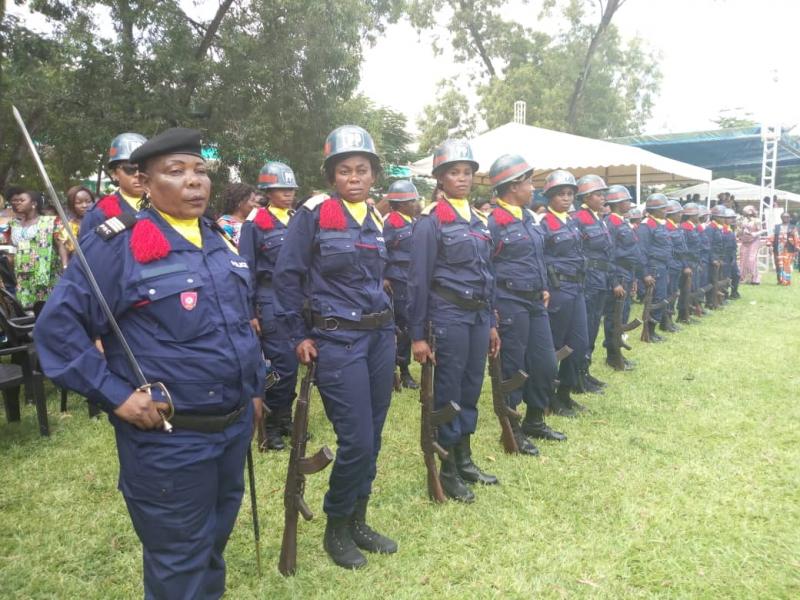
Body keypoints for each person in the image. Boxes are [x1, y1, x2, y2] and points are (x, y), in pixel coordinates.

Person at [35, 128, 265, 599]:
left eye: (200, 171)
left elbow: (237, 326)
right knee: (178, 560)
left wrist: (254, 392)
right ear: (143, 181)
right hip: (170, 442)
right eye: (175, 171)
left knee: (212, 546)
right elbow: (55, 330)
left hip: (231, 428)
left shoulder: (218, 239)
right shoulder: (118, 243)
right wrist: (116, 396)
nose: (194, 182)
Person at [273, 125, 397, 569]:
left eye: (362, 169)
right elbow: (286, 278)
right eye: (345, 170)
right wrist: (297, 337)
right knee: (357, 439)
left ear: (373, 174)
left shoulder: (377, 217)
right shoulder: (314, 213)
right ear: (332, 176)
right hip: (337, 339)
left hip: (381, 336)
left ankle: (359, 519)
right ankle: (336, 527)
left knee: (375, 436)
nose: (355, 177)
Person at [407, 139, 500, 504]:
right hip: (447, 314)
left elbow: (488, 272)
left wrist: (491, 320)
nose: (461, 178)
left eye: (467, 172)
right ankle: (446, 468)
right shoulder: (431, 222)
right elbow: (418, 280)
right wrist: (417, 335)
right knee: (448, 392)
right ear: (440, 179)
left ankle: (465, 458)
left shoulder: (479, 220)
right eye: (453, 173)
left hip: (477, 315)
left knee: (471, 386)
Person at [487, 154, 565, 456]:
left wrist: (544, 285)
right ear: (512, 186)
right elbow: (486, 267)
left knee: (545, 362)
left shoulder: (529, 218)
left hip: (534, 301)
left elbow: (537, 256)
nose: (533, 188)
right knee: (512, 368)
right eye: (528, 182)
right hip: (509, 301)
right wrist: (491, 309)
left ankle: (535, 420)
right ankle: (512, 427)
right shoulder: (494, 223)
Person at [239, 161, 300, 451]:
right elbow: (247, 269)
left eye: (291, 189)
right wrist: (250, 312)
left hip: (298, 300)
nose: (288, 194)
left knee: (296, 361)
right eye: (281, 189)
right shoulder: (255, 224)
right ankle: (271, 425)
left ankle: (286, 418)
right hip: (269, 299)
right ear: (268, 191)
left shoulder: (298, 219)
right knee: (281, 365)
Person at [538, 170, 589, 415]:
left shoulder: (572, 222)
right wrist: (545, 287)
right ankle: (548, 397)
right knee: (555, 346)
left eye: (570, 194)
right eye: (561, 194)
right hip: (558, 289)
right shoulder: (543, 223)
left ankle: (565, 392)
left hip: (577, 288)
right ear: (550, 197)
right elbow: (539, 259)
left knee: (578, 343)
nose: (566, 198)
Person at [572, 174, 613, 393]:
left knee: (594, 325)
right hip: (588, 279)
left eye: (603, 194)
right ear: (586, 197)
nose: (602, 197)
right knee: (584, 329)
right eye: (598, 194)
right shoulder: (578, 218)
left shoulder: (599, 218)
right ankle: (577, 375)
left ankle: (585, 371)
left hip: (601, 279)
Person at [382, 179, 421, 390]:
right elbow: (380, 251)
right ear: (401, 204)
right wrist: (384, 276)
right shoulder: (391, 223)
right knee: (398, 327)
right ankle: (397, 370)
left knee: (407, 325)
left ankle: (402, 367)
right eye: (411, 201)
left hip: (411, 280)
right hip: (396, 282)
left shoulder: (413, 222)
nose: (415, 203)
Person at [602, 185, 646, 370]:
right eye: (627, 200)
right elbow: (609, 254)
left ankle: (617, 352)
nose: (629, 203)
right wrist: (614, 281)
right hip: (618, 276)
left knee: (622, 315)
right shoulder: (611, 223)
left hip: (627, 274)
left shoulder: (621, 222)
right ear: (618, 203)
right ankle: (613, 355)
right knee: (615, 318)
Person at [80, 132, 147, 237]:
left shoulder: (166, 206)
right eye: (130, 169)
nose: (138, 175)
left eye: (143, 168)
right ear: (115, 174)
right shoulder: (98, 214)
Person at [9, 189, 63, 308]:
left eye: (22, 200)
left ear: (34, 204)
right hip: (23, 275)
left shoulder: (49, 221)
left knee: (46, 308)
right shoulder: (14, 224)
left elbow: (61, 244)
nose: (18, 203)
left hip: (45, 275)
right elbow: (12, 248)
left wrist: (65, 266)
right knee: (29, 309)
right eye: (16, 200)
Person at [637, 194, 672, 342]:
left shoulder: (659, 224)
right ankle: (648, 332)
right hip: (653, 268)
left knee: (661, 298)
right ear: (654, 210)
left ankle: (652, 331)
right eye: (663, 208)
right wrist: (645, 273)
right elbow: (641, 251)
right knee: (655, 300)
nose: (666, 211)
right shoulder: (647, 226)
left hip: (662, 266)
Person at [662, 200, 686, 332]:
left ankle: (669, 320)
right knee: (669, 294)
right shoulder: (667, 227)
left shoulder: (674, 226)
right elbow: (669, 249)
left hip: (676, 265)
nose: (681, 215)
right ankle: (665, 321)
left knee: (673, 293)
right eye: (678, 212)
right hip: (671, 265)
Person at [57, 185, 95, 266]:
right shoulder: (69, 226)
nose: (85, 205)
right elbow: (63, 246)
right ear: (72, 205)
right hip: (78, 266)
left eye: (88, 201)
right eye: (79, 203)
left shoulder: (100, 222)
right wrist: (65, 265)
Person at [771, 212, 797, 285]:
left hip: (788, 248)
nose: (786, 218)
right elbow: (772, 236)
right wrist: (769, 244)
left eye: (787, 217)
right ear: (781, 218)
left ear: (789, 218)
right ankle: (779, 280)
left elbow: (796, 237)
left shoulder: (793, 227)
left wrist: (797, 247)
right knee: (779, 264)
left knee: (787, 264)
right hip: (778, 247)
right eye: (784, 217)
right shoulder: (777, 227)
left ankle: (786, 281)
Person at [738, 205, 762, 284]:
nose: (745, 213)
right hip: (744, 241)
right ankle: (742, 277)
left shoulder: (757, 220)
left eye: (747, 211)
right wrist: (740, 232)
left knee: (751, 259)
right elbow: (739, 230)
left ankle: (755, 278)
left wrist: (753, 234)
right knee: (743, 258)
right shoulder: (743, 220)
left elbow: (761, 231)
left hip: (754, 240)